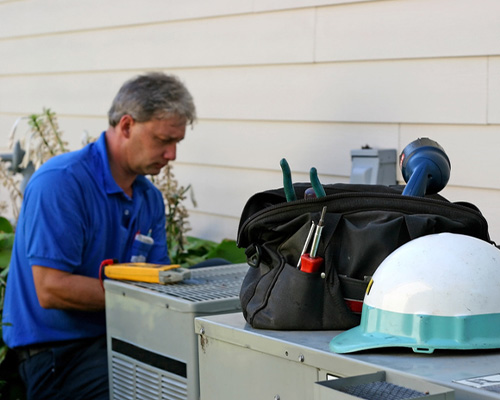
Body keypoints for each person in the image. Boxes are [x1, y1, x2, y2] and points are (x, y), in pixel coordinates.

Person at [2, 72, 196, 399]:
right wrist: (147, 300)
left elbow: (157, 280)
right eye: (164, 140)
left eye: (177, 142)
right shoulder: (61, 183)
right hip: (57, 355)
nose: (172, 154)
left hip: (119, 337)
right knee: (158, 391)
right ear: (126, 126)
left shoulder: (148, 198)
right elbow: (52, 288)